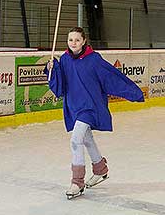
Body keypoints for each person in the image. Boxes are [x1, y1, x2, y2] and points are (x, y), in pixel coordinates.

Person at [44, 27, 144, 199]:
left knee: (76, 139)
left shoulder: (94, 60)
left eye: (76, 40)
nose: (73, 43)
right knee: (86, 138)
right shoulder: (65, 59)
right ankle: (100, 169)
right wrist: (52, 68)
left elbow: (111, 77)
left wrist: (133, 92)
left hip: (90, 106)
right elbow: (60, 85)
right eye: (70, 40)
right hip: (74, 105)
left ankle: (77, 182)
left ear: (84, 41)